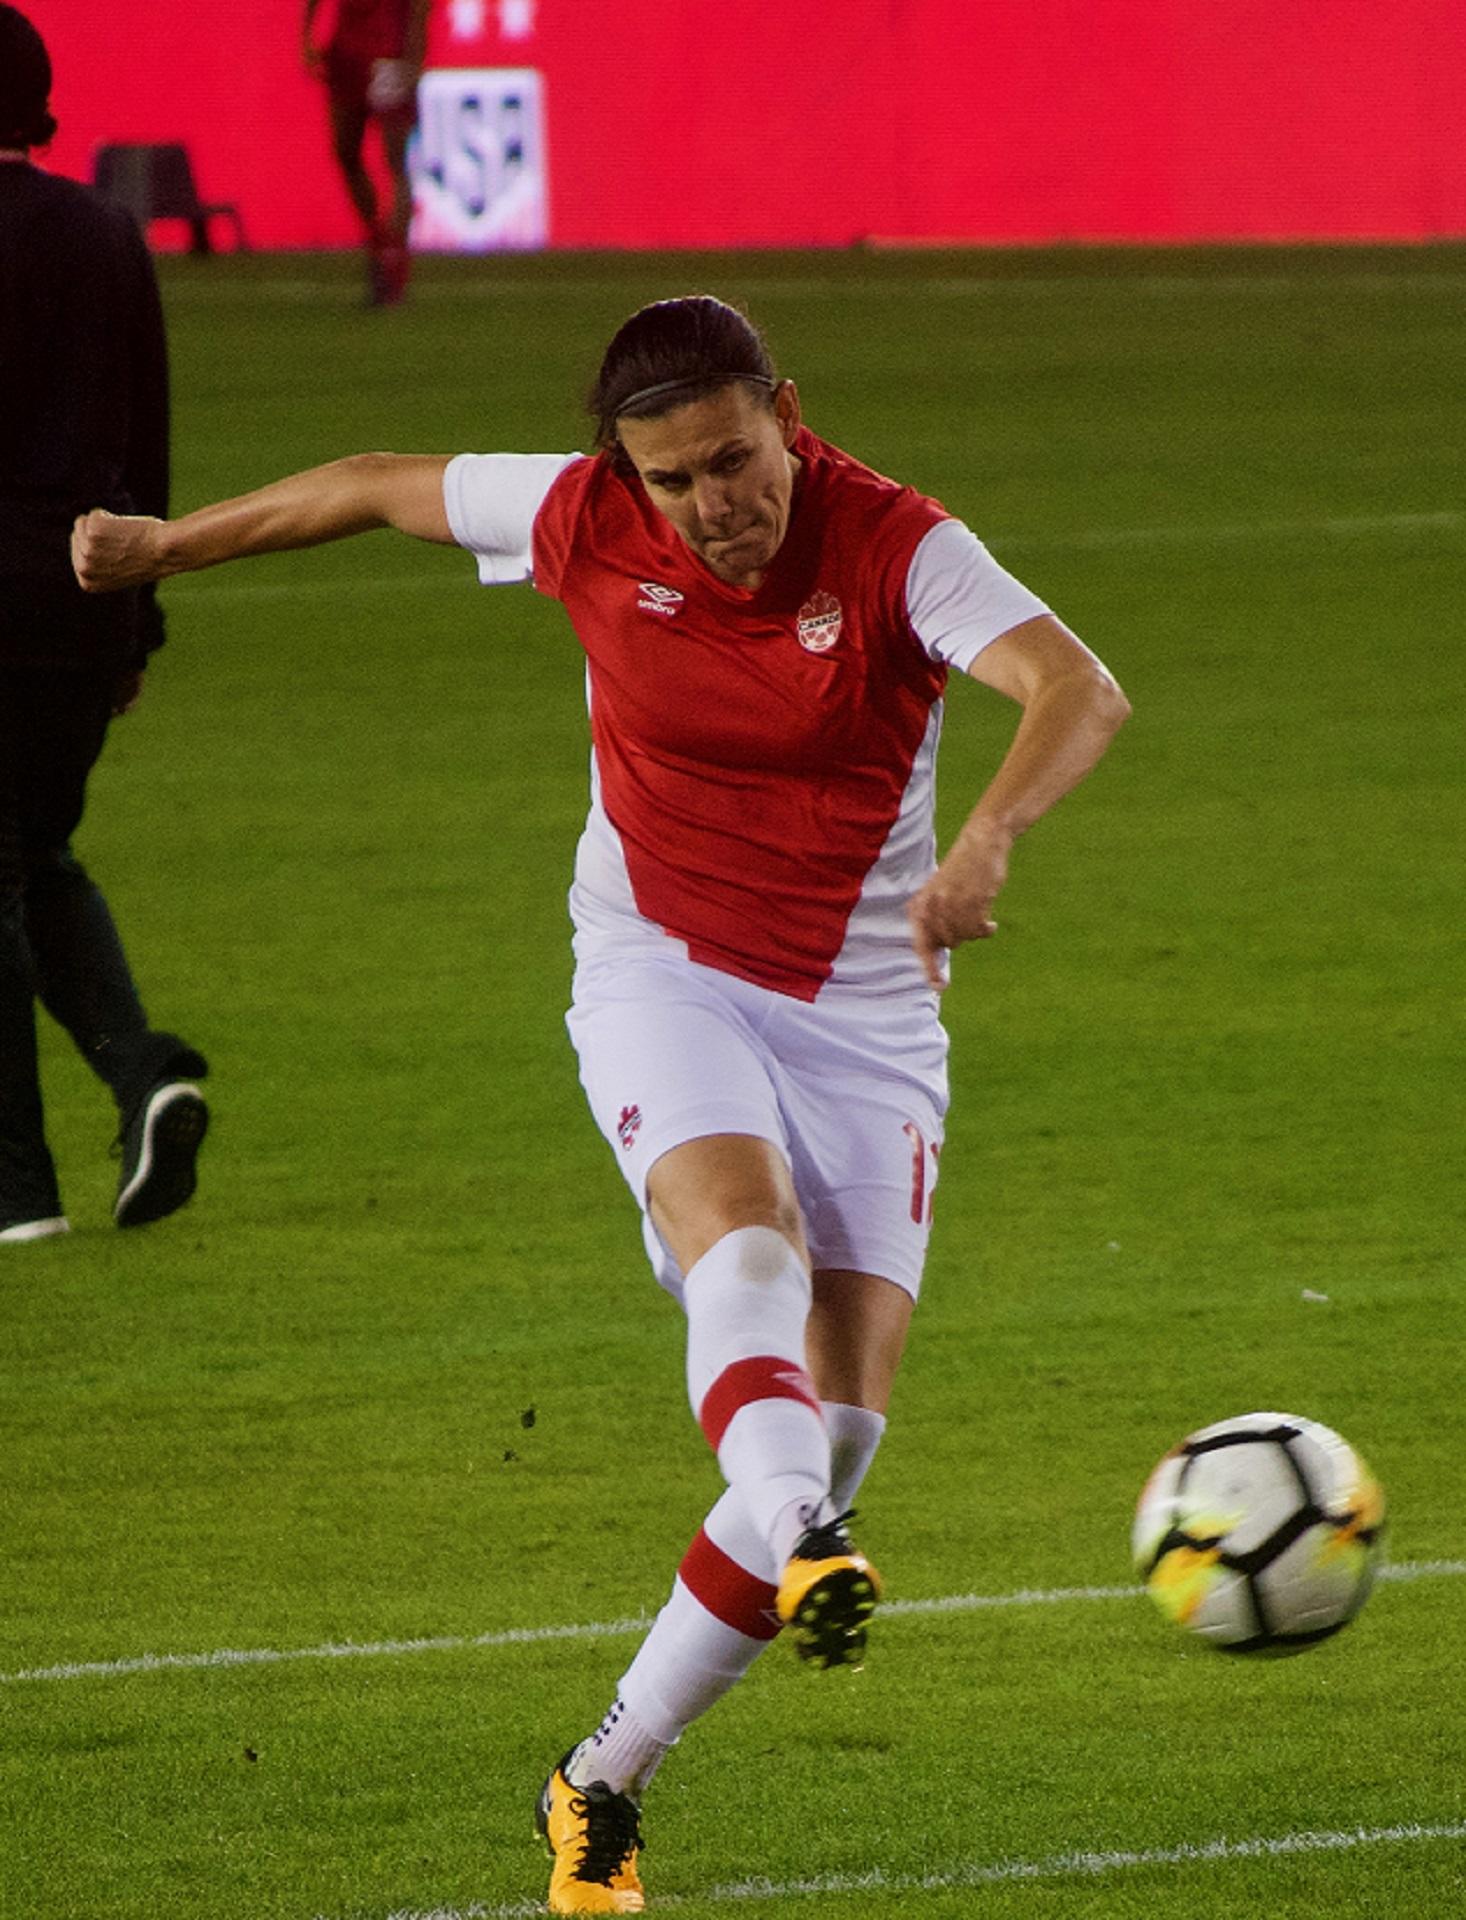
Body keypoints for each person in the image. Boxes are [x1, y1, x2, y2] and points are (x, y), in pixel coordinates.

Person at [73, 293, 1129, 1911]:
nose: (718, 504)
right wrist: (165, 551)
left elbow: (1075, 688)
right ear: (622, 475)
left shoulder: (898, 547)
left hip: (863, 1008)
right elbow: (365, 481)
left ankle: (600, 1781)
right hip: (666, 970)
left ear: (790, 410)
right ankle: (809, 1539)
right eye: (679, 479)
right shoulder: (579, 518)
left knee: (836, 1425)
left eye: (738, 459)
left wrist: (987, 840)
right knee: (744, 1244)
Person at [0, 4, 209, 1246]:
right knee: (36, 851)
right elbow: (146, 435)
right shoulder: (107, 235)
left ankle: (16, 1189)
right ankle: (144, 1075)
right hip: (83, 601)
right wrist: (140, 612)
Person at [302, 0, 430, 306]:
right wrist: (306, 35)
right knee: (345, 152)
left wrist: (415, 55)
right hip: (347, 53)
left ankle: (393, 258)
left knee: (395, 160)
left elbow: (421, 6)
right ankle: (380, 242)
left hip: (389, 53)